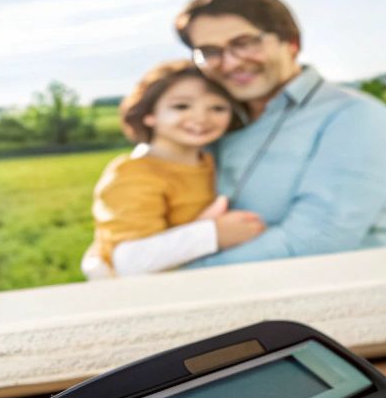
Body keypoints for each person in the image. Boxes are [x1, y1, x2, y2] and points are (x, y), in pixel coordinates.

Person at [175, 0, 386, 267]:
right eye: (209, 51)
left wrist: (182, 272)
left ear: (291, 43)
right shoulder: (214, 125)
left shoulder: (358, 117)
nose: (229, 63)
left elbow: (315, 242)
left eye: (244, 43)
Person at [83, 61, 264, 277]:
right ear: (149, 114)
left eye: (217, 108)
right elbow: (127, 262)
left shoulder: (212, 162)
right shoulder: (131, 174)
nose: (201, 118)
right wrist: (214, 233)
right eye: (181, 106)